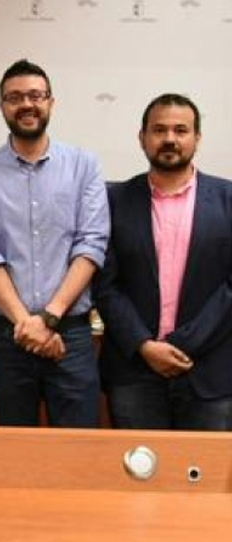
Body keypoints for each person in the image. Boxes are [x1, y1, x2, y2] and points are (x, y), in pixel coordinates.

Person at [0, 59, 110, 427]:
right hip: (7, 335)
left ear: (51, 102)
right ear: (2, 107)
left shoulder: (84, 165)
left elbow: (91, 245)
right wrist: (26, 324)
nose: (26, 104)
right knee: (15, 450)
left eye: (35, 95)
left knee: (78, 449)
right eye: (15, 98)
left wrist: (49, 318)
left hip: (71, 333)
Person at [93, 94, 232, 430]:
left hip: (210, 373)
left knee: (205, 466)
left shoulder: (228, 199)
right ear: (142, 137)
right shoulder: (112, 200)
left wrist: (182, 343)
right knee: (139, 464)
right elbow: (104, 284)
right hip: (134, 372)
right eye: (159, 130)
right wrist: (144, 345)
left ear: (197, 138)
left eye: (181, 130)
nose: (170, 139)